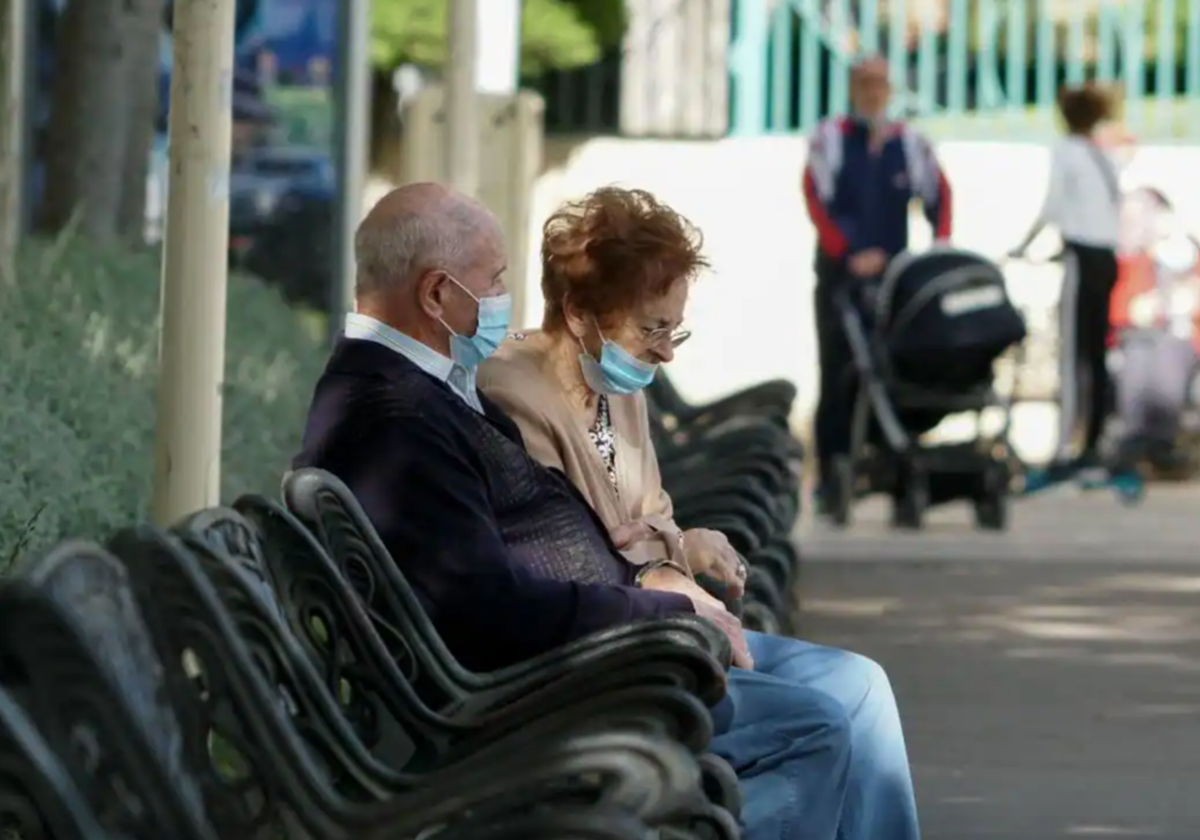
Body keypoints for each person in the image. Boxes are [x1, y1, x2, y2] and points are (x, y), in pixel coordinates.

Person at [295, 182, 921, 840]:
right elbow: (486, 607)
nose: (507, 302)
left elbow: (527, 554)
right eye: (496, 279)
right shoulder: (397, 416)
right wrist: (666, 609)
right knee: (814, 728)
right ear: (436, 294)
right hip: (553, 691)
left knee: (854, 693)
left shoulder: (420, 394)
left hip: (596, 653)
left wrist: (658, 596)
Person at [801, 55, 952, 510]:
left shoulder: (909, 143)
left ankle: (898, 468)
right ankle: (834, 472)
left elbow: (939, 196)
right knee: (838, 373)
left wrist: (940, 249)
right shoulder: (830, 138)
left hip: (893, 281)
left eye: (880, 84)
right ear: (852, 88)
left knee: (896, 373)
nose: (872, 92)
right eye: (864, 83)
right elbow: (815, 197)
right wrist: (848, 254)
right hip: (840, 278)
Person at [1009, 83, 1122, 472]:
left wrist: (1023, 245)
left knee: (1074, 352)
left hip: (1083, 256)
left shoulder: (1068, 151)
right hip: (1106, 257)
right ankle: (1093, 438)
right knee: (1097, 353)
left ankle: (1065, 447)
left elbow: (1054, 204)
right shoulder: (1101, 155)